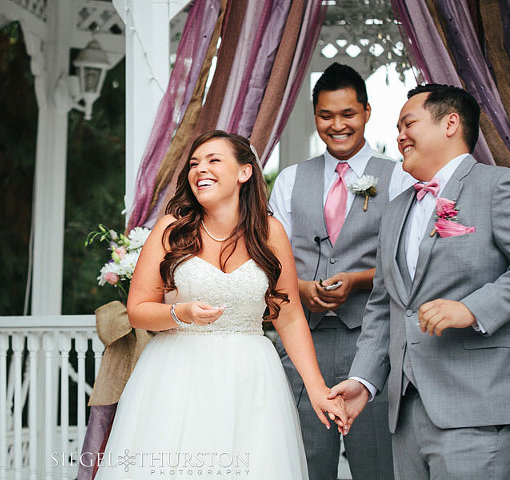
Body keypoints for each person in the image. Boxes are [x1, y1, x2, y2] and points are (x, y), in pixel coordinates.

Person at [94, 130, 347, 480]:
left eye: (214, 161)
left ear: (244, 172)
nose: (201, 170)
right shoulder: (171, 230)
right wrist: (178, 313)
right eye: (195, 164)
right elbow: (137, 309)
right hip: (177, 374)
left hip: (250, 377)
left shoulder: (269, 232)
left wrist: (317, 388)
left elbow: (289, 317)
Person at [330, 84, 510, 479]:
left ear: (450, 123)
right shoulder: (396, 209)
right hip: (405, 413)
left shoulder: (498, 187)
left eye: (408, 123)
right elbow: (385, 306)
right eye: (396, 127)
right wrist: (363, 379)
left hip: (475, 410)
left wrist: (472, 308)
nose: (399, 136)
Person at [268, 62, 411, 480]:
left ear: (366, 112)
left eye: (347, 114)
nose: (337, 125)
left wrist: (357, 280)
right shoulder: (291, 179)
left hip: (370, 343)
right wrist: (300, 286)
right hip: (302, 346)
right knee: (305, 464)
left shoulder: (399, 175)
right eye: (326, 115)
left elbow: (405, 257)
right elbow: (271, 260)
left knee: (377, 465)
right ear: (315, 116)